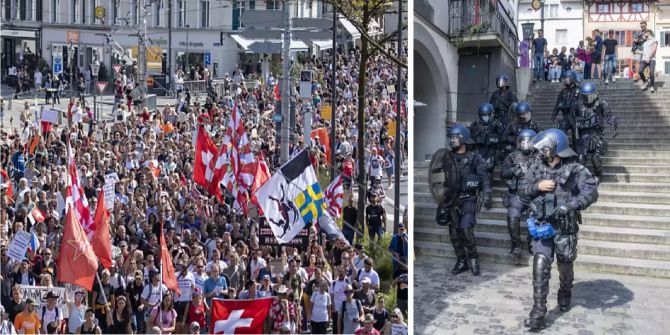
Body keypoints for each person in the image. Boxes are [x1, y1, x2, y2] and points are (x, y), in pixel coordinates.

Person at [520, 128, 599, 330]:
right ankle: (538, 311)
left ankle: (565, 292)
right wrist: (537, 186)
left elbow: (591, 192)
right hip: (542, 227)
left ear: (557, 148)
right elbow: (522, 189)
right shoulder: (536, 167)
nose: (541, 152)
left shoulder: (575, 169)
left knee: (565, 265)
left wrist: (572, 205)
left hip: (565, 228)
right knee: (539, 265)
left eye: (545, 148)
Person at [440, 124, 491, 276]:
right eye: (451, 138)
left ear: (463, 139)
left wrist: (486, 194)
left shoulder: (474, 158)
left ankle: (473, 259)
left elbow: (484, 178)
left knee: (466, 228)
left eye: (455, 138)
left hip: (468, 198)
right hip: (452, 200)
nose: (452, 141)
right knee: (454, 232)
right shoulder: (447, 157)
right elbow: (438, 178)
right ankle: (461, 261)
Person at [501, 129, 537, 256]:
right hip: (518, 194)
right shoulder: (512, 157)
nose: (525, 144)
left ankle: (532, 242)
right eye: (523, 142)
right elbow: (503, 173)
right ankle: (516, 244)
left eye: (528, 141)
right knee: (512, 216)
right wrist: (512, 170)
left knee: (535, 218)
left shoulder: (540, 156)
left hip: (535, 195)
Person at [572, 82, 618, 182]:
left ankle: (598, 174)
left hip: (595, 134)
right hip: (582, 134)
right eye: (585, 97)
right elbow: (573, 118)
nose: (588, 99)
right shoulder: (578, 105)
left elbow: (610, 116)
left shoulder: (601, 104)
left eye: (590, 97)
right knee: (581, 158)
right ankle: (580, 177)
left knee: (595, 158)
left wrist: (613, 127)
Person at [469, 103, 505, 176]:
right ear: (480, 115)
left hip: (492, 151)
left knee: (489, 168)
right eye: (484, 115)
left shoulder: (497, 124)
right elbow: (471, 140)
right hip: (479, 151)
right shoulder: (475, 125)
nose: (487, 117)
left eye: (489, 115)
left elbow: (503, 139)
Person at [552, 70, 580, 148]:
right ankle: (562, 150)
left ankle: (577, 152)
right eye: (565, 78)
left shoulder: (579, 91)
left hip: (576, 118)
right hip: (566, 117)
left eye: (567, 78)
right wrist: (554, 115)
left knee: (576, 136)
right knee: (561, 134)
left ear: (572, 78)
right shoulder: (563, 92)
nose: (565, 80)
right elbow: (557, 105)